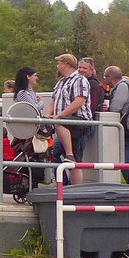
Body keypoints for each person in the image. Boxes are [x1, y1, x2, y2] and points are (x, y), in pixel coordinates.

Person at [46, 53, 91, 185]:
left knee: (75, 159)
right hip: (63, 124)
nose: (57, 66)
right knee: (55, 155)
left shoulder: (79, 80)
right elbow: (54, 100)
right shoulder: (61, 82)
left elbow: (79, 101)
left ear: (65, 64)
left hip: (78, 121)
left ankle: (76, 190)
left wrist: (60, 115)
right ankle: (64, 186)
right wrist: (48, 114)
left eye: (59, 63)